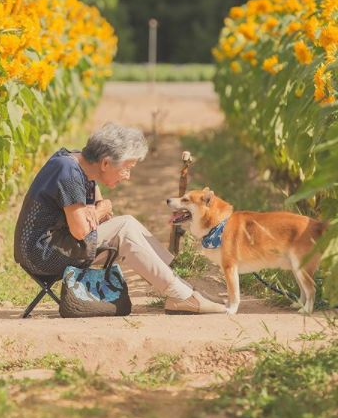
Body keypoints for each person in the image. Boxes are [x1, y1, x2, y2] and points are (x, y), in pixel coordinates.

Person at [14, 122, 226, 314]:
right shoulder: (68, 172)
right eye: (127, 168)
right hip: (41, 253)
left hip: (57, 243)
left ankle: (178, 285)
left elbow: (101, 213)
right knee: (123, 228)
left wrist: (97, 211)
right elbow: (82, 229)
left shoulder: (81, 165)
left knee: (128, 223)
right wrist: (100, 209)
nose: (128, 176)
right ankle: (181, 295)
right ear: (106, 163)